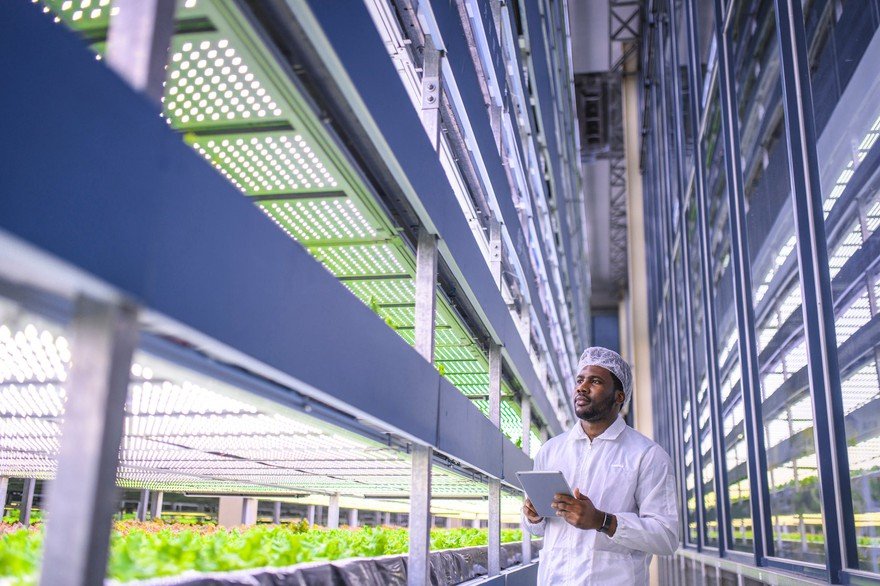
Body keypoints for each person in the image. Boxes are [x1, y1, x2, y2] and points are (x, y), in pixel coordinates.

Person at [521, 347, 679, 585]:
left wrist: (603, 521)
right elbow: (539, 530)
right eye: (580, 380)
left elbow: (666, 538)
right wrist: (533, 518)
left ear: (619, 396)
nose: (582, 387)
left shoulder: (646, 455)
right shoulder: (551, 450)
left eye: (595, 381)